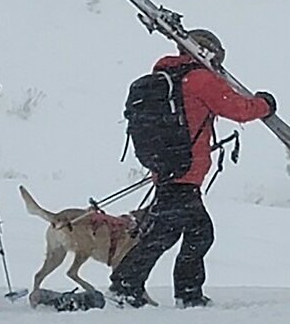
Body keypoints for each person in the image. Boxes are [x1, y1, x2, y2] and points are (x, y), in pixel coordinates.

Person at [108, 29, 276, 309]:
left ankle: (130, 285)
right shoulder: (199, 79)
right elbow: (239, 108)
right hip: (184, 172)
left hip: (168, 169)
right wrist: (266, 104)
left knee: (166, 232)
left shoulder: (171, 78)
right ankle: (179, 293)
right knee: (199, 232)